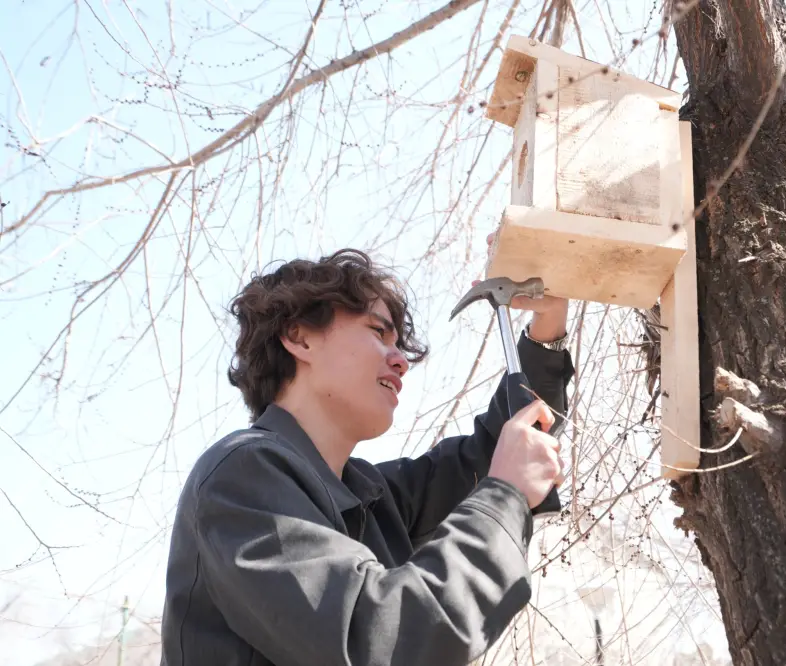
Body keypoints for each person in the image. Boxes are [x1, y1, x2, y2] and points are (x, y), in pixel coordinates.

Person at [159, 240, 575, 666]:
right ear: (299, 338)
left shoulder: (372, 498)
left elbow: (491, 455)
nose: (401, 362)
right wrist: (505, 493)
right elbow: (378, 638)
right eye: (379, 332)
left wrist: (548, 326)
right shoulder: (242, 476)